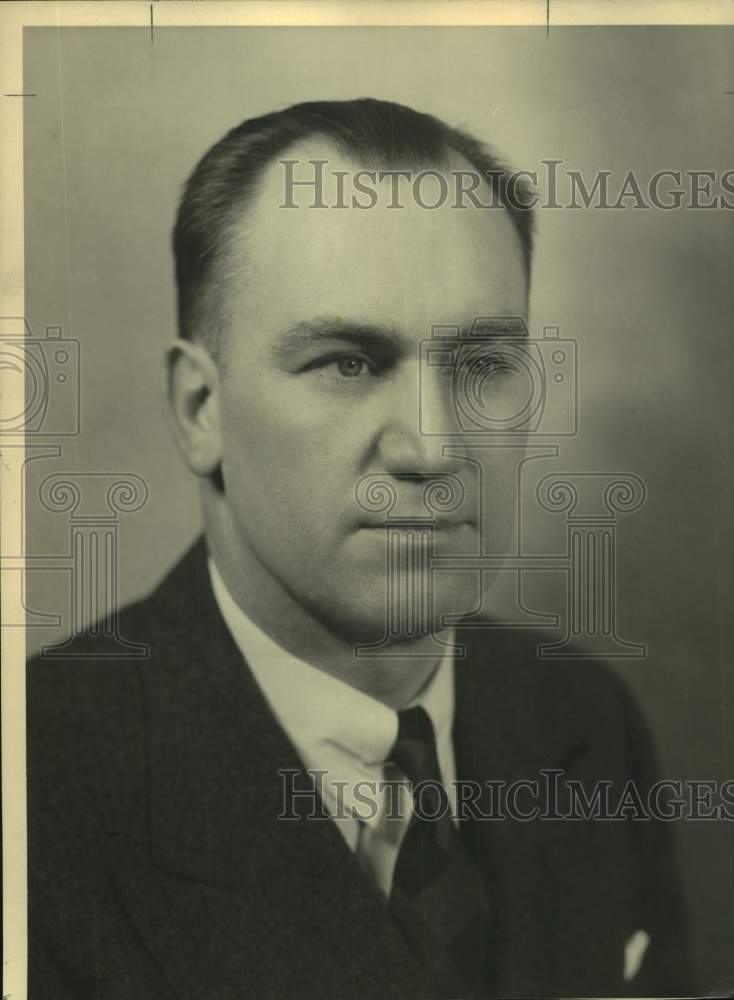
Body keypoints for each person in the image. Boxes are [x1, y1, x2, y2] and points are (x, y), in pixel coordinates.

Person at [27, 98, 691, 998]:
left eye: (483, 364)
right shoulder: (33, 791)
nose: (433, 449)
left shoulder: (581, 719)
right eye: (348, 362)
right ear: (200, 410)